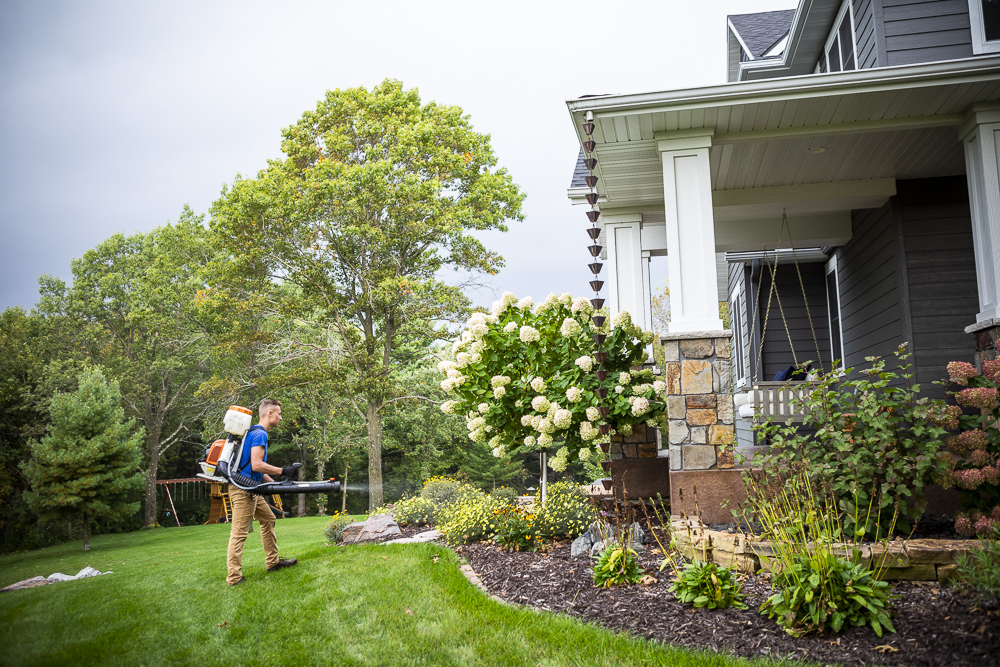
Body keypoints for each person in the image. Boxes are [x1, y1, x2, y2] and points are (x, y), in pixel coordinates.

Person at [226, 398, 299, 585]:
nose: (281, 418)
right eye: (279, 414)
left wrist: (278, 485)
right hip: (243, 490)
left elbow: (253, 468)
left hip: (250, 487)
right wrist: (284, 470)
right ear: (270, 414)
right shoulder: (260, 435)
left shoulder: (254, 433)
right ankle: (234, 577)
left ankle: (273, 562)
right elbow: (258, 465)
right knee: (240, 533)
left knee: (268, 519)